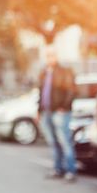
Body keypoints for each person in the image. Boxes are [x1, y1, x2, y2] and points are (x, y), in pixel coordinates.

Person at [37, 49, 78, 181]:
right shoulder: (44, 73)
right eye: (48, 56)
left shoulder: (64, 71)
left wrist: (64, 107)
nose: (50, 58)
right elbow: (41, 93)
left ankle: (71, 170)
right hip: (46, 111)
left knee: (64, 141)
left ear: (56, 57)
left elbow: (71, 90)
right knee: (53, 142)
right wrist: (39, 110)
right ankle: (57, 168)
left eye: (52, 55)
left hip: (60, 112)